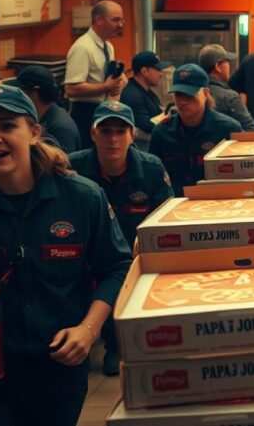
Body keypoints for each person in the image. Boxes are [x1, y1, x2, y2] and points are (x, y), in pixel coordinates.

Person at [0, 84, 132, 426]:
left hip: (58, 369)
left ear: (33, 132)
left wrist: (89, 331)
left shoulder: (82, 197)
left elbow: (118, 266)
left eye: (6, 125)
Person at [68, 101, 173, 376]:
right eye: (105, 131)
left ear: (132, 135)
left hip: (135, 254)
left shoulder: (151, 169)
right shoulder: (72, 167)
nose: (112, 139)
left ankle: (119, 344)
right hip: (87, 252)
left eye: (120, 131)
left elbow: (166, 221)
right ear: (93, 134)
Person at [149, 64, 242, 196]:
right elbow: (153, 178)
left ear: (205, 93)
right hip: (175, 205)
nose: (182, 102)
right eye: (178, 95)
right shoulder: (161, 133)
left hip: (217, 203)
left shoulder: (228, 129)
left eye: (189, 95)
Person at [64, 0, 128, 149]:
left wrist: (120, 79)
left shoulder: (108, 46)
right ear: (99, 20)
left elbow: (105, 77)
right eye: (115, 20)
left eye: (122, 20)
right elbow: (71, 89)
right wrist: (105, 87)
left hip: (102, 109)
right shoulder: (83, 48)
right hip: (84, 112)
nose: (120, 25)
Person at [14, 66, 81, 154]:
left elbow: (60, 165)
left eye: (20, 91)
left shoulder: (60, 129)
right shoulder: (43, 115)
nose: (17, 96)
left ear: (35, 92)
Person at [119, 50, 171, 150]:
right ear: (144, 71)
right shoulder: (132, 95)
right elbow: (147, 127)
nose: (161, 73)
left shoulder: (144, 90)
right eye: (158, 69)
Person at [199, 43, 254, 132]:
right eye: (227, 62)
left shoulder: (195, 93)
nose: (229, 66)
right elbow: (250, 130)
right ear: (217, 66)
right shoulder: (230, 97)